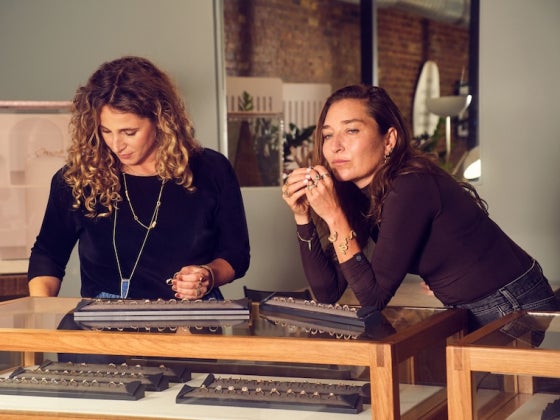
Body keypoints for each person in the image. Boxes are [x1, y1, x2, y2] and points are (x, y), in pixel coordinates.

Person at [281, 84, 558, 330]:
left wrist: (333, 216)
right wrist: (302, 215)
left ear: (389, 139)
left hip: (512, 301)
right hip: (470, 306)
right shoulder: (360, 194)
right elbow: (328, 292)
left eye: (351, 130)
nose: (335, 146)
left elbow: (373, 297)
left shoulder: (410, 184)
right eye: (328, 135)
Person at [28, 56, 250, 302]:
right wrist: (41, 312)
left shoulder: (211, 170)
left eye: (129, 132)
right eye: (105, 131)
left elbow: (236, 254)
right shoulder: (77, 179)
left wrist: (209, 275)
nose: (115, 144)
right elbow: (48, 255)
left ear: (161, 120)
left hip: (190, 325)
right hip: (103, 329)